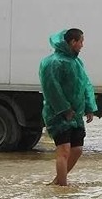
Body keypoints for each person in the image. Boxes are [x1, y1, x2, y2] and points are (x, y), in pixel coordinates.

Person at [38, 28, 98, 186]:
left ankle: (57, 182)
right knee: (64, 150)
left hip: (76, 115)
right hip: (57, 114)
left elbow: (85, 85)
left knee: (77, 150)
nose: (82, 45)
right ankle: (62, 188)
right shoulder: (52, 62)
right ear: (73, 42)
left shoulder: (77, 62)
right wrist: (64, 109)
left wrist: (90, 107)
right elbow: (51, 89)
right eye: (81, 41)